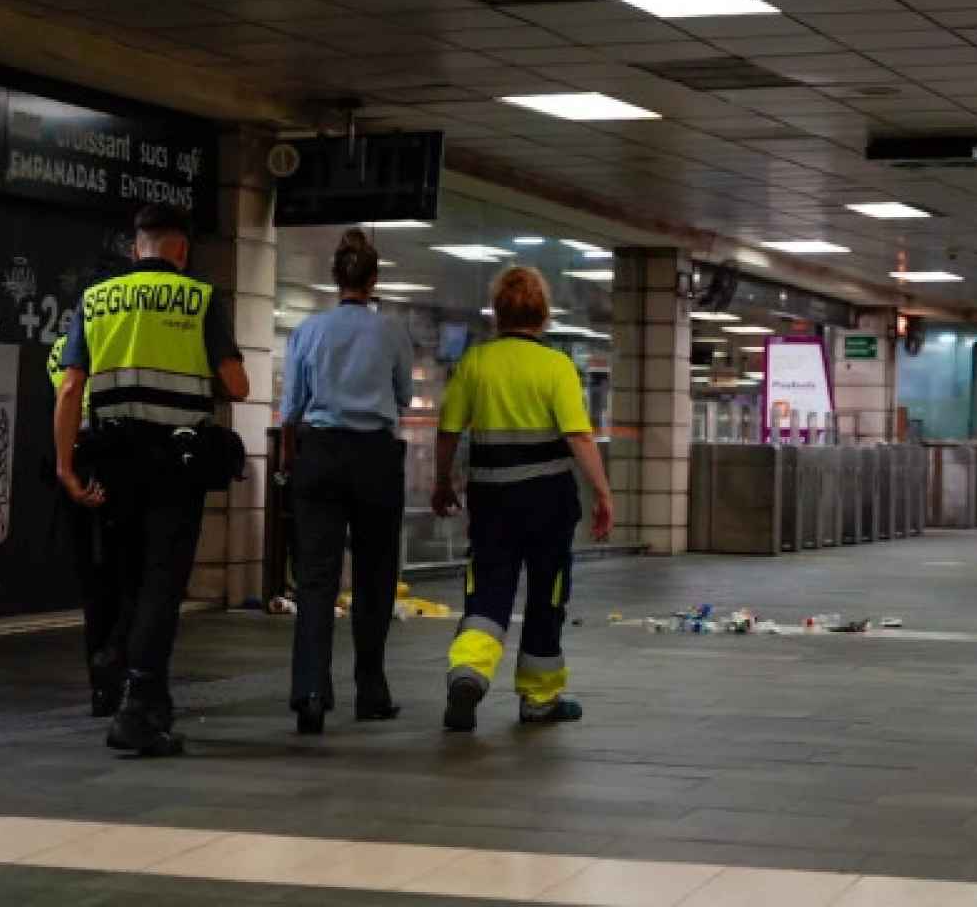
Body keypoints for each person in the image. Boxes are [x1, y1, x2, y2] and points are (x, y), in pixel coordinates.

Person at [54, 204, 249, 756]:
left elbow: (71, 389)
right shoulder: (203, 297)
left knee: (130, 580)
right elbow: (236, 384)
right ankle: (138, 702)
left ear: (136, 247)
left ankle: (139, 687)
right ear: (181, 250)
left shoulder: (95, 300)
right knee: (162, 585)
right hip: (173, 465)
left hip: (112, 461)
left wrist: (67, 467)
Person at [431, 265, 613, 733]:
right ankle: (539, 698)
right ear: (544, 315)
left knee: (488, 589)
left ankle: (468, 674)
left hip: (491, 499)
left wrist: (441, 481)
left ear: (498, 313)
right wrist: (602, 492)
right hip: (548, 501)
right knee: (546, 596)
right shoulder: (556, 367)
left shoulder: (475, 363)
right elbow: (579, 437)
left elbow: (448, 431)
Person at [280, 229, 414, 735]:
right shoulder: (393, 332)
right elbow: (402, 396)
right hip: (376, 457)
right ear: (374, 279)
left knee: (316, 578)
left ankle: (311, 693)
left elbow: (291, 408)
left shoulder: (308, 331)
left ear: (335, 278)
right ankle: (372, 690)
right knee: (375, 576)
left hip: (320, 453)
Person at [48, 327, 123, 718]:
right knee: (127, 574)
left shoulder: (63, 346)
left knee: (93, 584)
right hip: (114, 457)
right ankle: (116, 666)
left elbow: (64, 397)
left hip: (76, 455)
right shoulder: (121, 337)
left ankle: (101, 686)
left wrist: (65, 469)